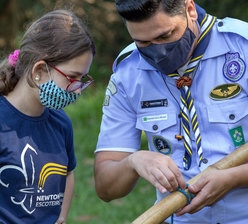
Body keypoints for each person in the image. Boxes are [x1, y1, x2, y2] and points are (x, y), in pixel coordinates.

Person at [94, 0, 248, 223]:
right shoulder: (128, 74)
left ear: (190, 9)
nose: (159, 52)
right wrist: (134, 162)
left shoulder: (243, 48)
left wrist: (233, 178)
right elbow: (106, 187)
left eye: (165, 36)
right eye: (143, 42)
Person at [0, 9, 95, 224]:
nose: (77, 90)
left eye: (82, 79)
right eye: (72, 78)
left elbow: (68, 173)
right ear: (39, 70)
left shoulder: (60, 122)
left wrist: (62, 216)